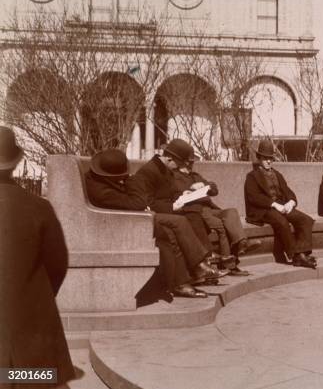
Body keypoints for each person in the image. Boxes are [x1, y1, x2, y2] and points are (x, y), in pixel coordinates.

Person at [86, 149, 227, 298]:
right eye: (121, 176)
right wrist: (132, 180)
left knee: (174, 229)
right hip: (121, 223)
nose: (124, 178)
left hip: (134, 217)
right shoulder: (101, 190)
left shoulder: (99, 180)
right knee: (178, 222)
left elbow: (134, 201)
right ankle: (196, 269)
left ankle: (187, 277)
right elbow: (138, 203)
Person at [0, 126, 75, 387]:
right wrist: (32, 296)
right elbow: (58, 265)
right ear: (16, 162)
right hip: (31, 328)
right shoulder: (39, 207)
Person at [130, 139, 235, 271]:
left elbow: (171, 193)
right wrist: (173, 206)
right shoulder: (148, 171)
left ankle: (207, 256)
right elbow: (147, 202)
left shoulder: (165, 169)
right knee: (186, 217)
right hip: (156, 213)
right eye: (179, 163)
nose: (179, 167)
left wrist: (182, 195)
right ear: (169, 158)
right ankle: (205, 258)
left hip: (170, 208)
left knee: (193, 211)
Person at [172, 145, 260, 277]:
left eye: (192, 162)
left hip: (210, 208)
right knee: (220, 226)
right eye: (189, 162)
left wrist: (205, 185)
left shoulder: (196, 175)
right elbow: (176, 195)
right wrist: (190, 189)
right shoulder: (175, 177)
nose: (191, 164)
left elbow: (214, 189)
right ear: (182, 162)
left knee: (231, 213)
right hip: (196, 210)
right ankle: (229, 264)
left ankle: (243, 243)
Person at [244, 140, 317, 269]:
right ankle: (295, 256)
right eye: (265, 158)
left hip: (281, 206)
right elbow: (254, 197)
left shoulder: (277, 174)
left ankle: (302, 253)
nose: (268, 161)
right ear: (259, 158)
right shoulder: (252, 176)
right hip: (263, 210)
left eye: (270, 158)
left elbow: (288, 191)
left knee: (305, 220)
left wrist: (291, 201)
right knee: (282, 222)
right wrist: (273, 204)